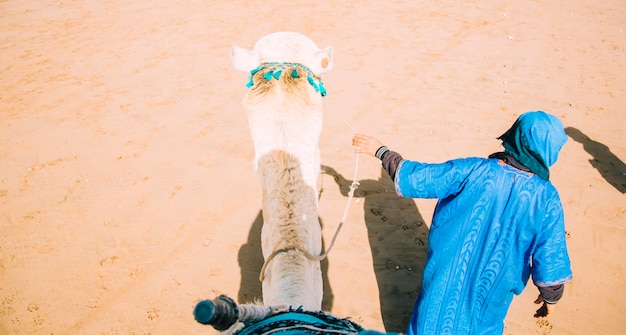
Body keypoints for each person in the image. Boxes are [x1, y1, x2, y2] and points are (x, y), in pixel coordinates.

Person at [351, 111, 573, 335]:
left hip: (444, 281)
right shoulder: (547, 200)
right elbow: (551, 259)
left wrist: (382, 152)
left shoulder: (474, 170)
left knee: (431, 320)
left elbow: (418, 177)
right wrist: (550, 299)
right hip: (492, 295)